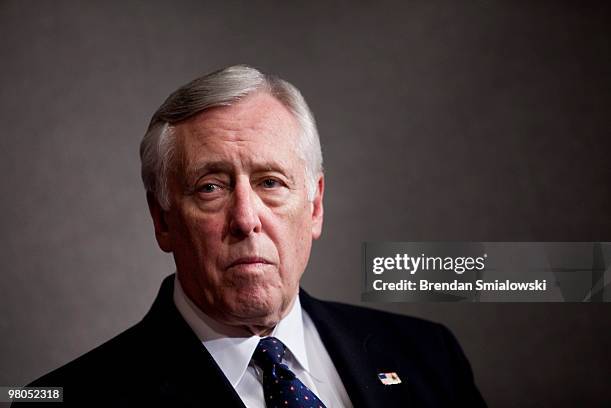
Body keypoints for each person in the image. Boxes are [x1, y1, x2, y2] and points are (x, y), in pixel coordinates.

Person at [17, 65, 486, 407]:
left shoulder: (429, 356)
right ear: (163, 220)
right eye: (211, 188)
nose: (246, 218)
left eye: (270, 183)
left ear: (315, 206)